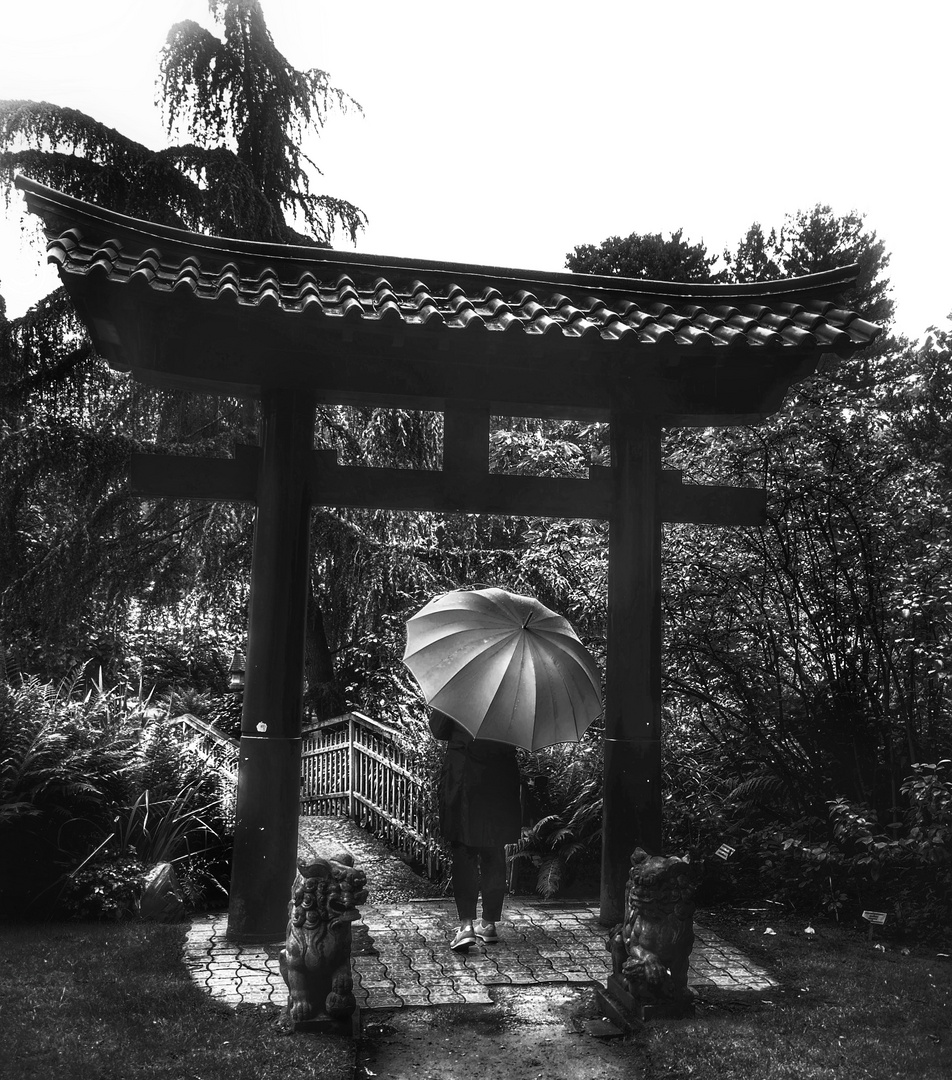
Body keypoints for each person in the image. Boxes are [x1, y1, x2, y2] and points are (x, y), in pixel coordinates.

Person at [429, 710, 522, 951]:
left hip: (464, 774)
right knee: (493, 847)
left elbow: (438, 729)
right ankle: (489, 924)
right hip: (500, 776)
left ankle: (466, 926)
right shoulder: (515, 693)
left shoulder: (464, 685)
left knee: (464, 849)